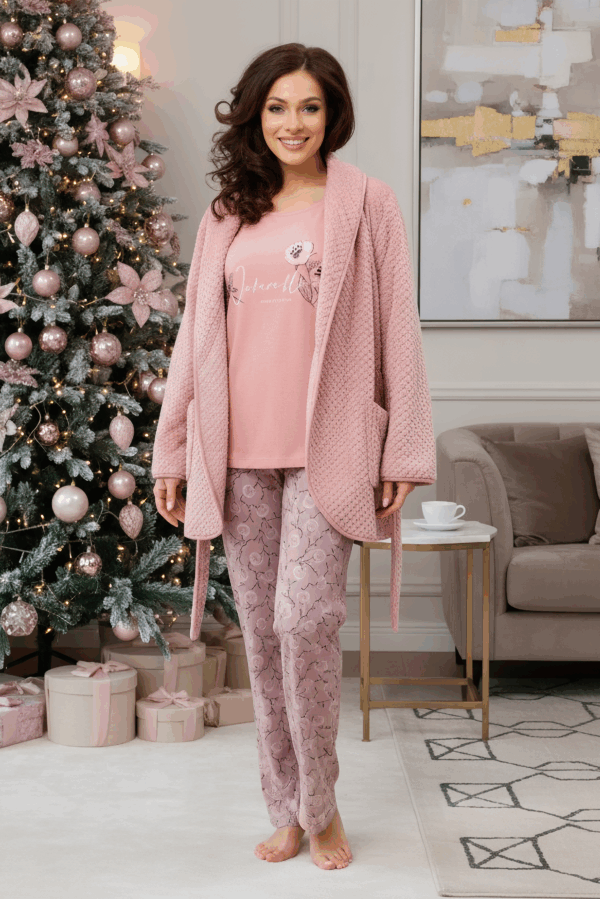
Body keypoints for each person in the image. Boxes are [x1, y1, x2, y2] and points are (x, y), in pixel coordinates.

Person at [153, 43, 436, 872]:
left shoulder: (367, 203)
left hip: (329, 452)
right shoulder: (227, 213)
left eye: (309, 106)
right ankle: (286, 807)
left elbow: (399, 328)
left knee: (305, 621)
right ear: (255, 114)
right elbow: (192, 340)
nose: (293, 123)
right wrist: (174, 448)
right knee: (263, 635)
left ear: (332, 114)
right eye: (277, 106)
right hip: (237, 453)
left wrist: (403, 445)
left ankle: (323, 805)